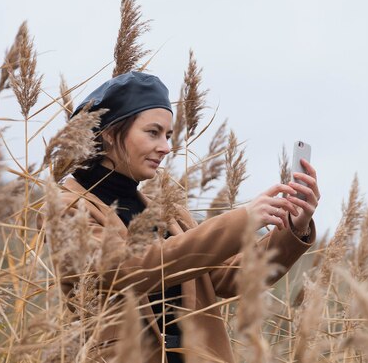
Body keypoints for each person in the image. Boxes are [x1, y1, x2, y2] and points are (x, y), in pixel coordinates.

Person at [45, 71, 320, 363]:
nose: (165, 147)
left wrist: (293, 227)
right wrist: (241, 220)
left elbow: (232, 277)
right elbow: (126, 270)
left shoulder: (168, 213)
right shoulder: (68, 208)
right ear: (111, 134)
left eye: (168, 135)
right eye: (153, 132)